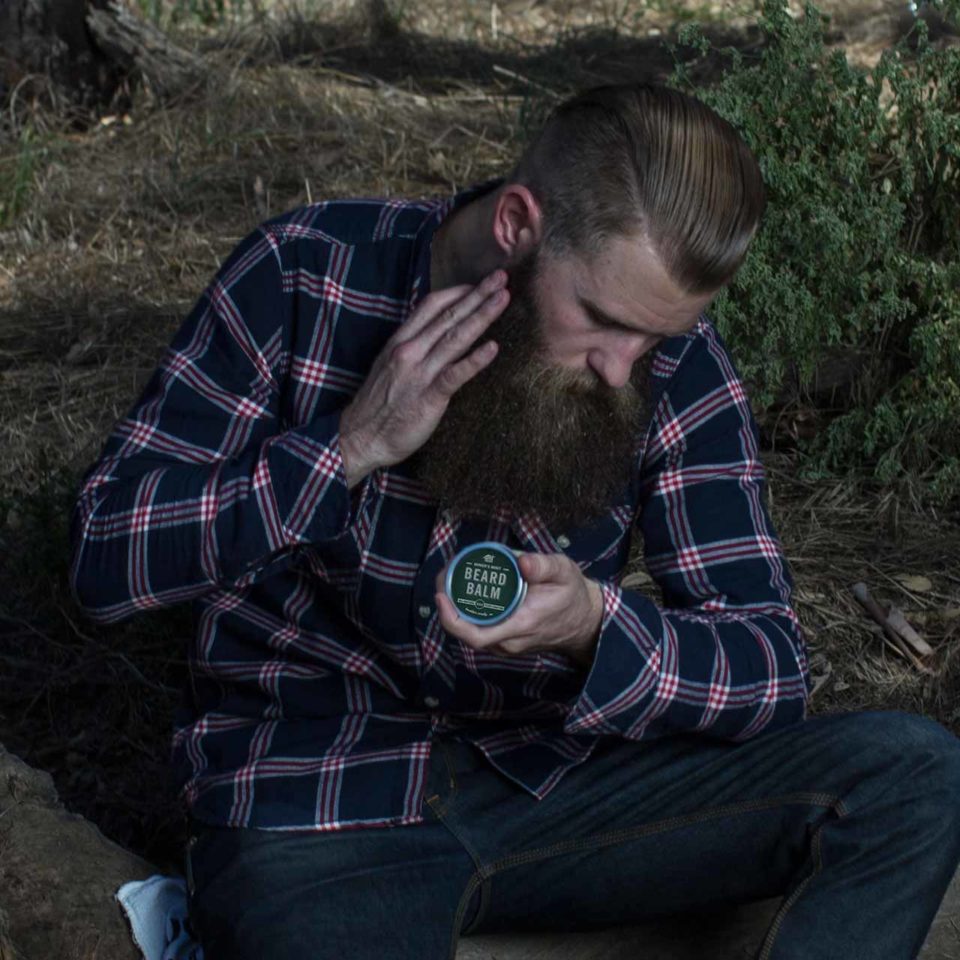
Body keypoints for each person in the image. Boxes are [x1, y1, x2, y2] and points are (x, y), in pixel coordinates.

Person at [69, 83, 960, 960]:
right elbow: (104, 559)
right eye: (605, 322)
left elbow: (770, 669)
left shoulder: (670, 362)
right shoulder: (304, 272)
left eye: (655, 339)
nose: (623, 371)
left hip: (561, 787)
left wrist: (594, 630)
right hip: (319, 800)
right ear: (516, 226)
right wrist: (346, 448)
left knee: (913, 775)